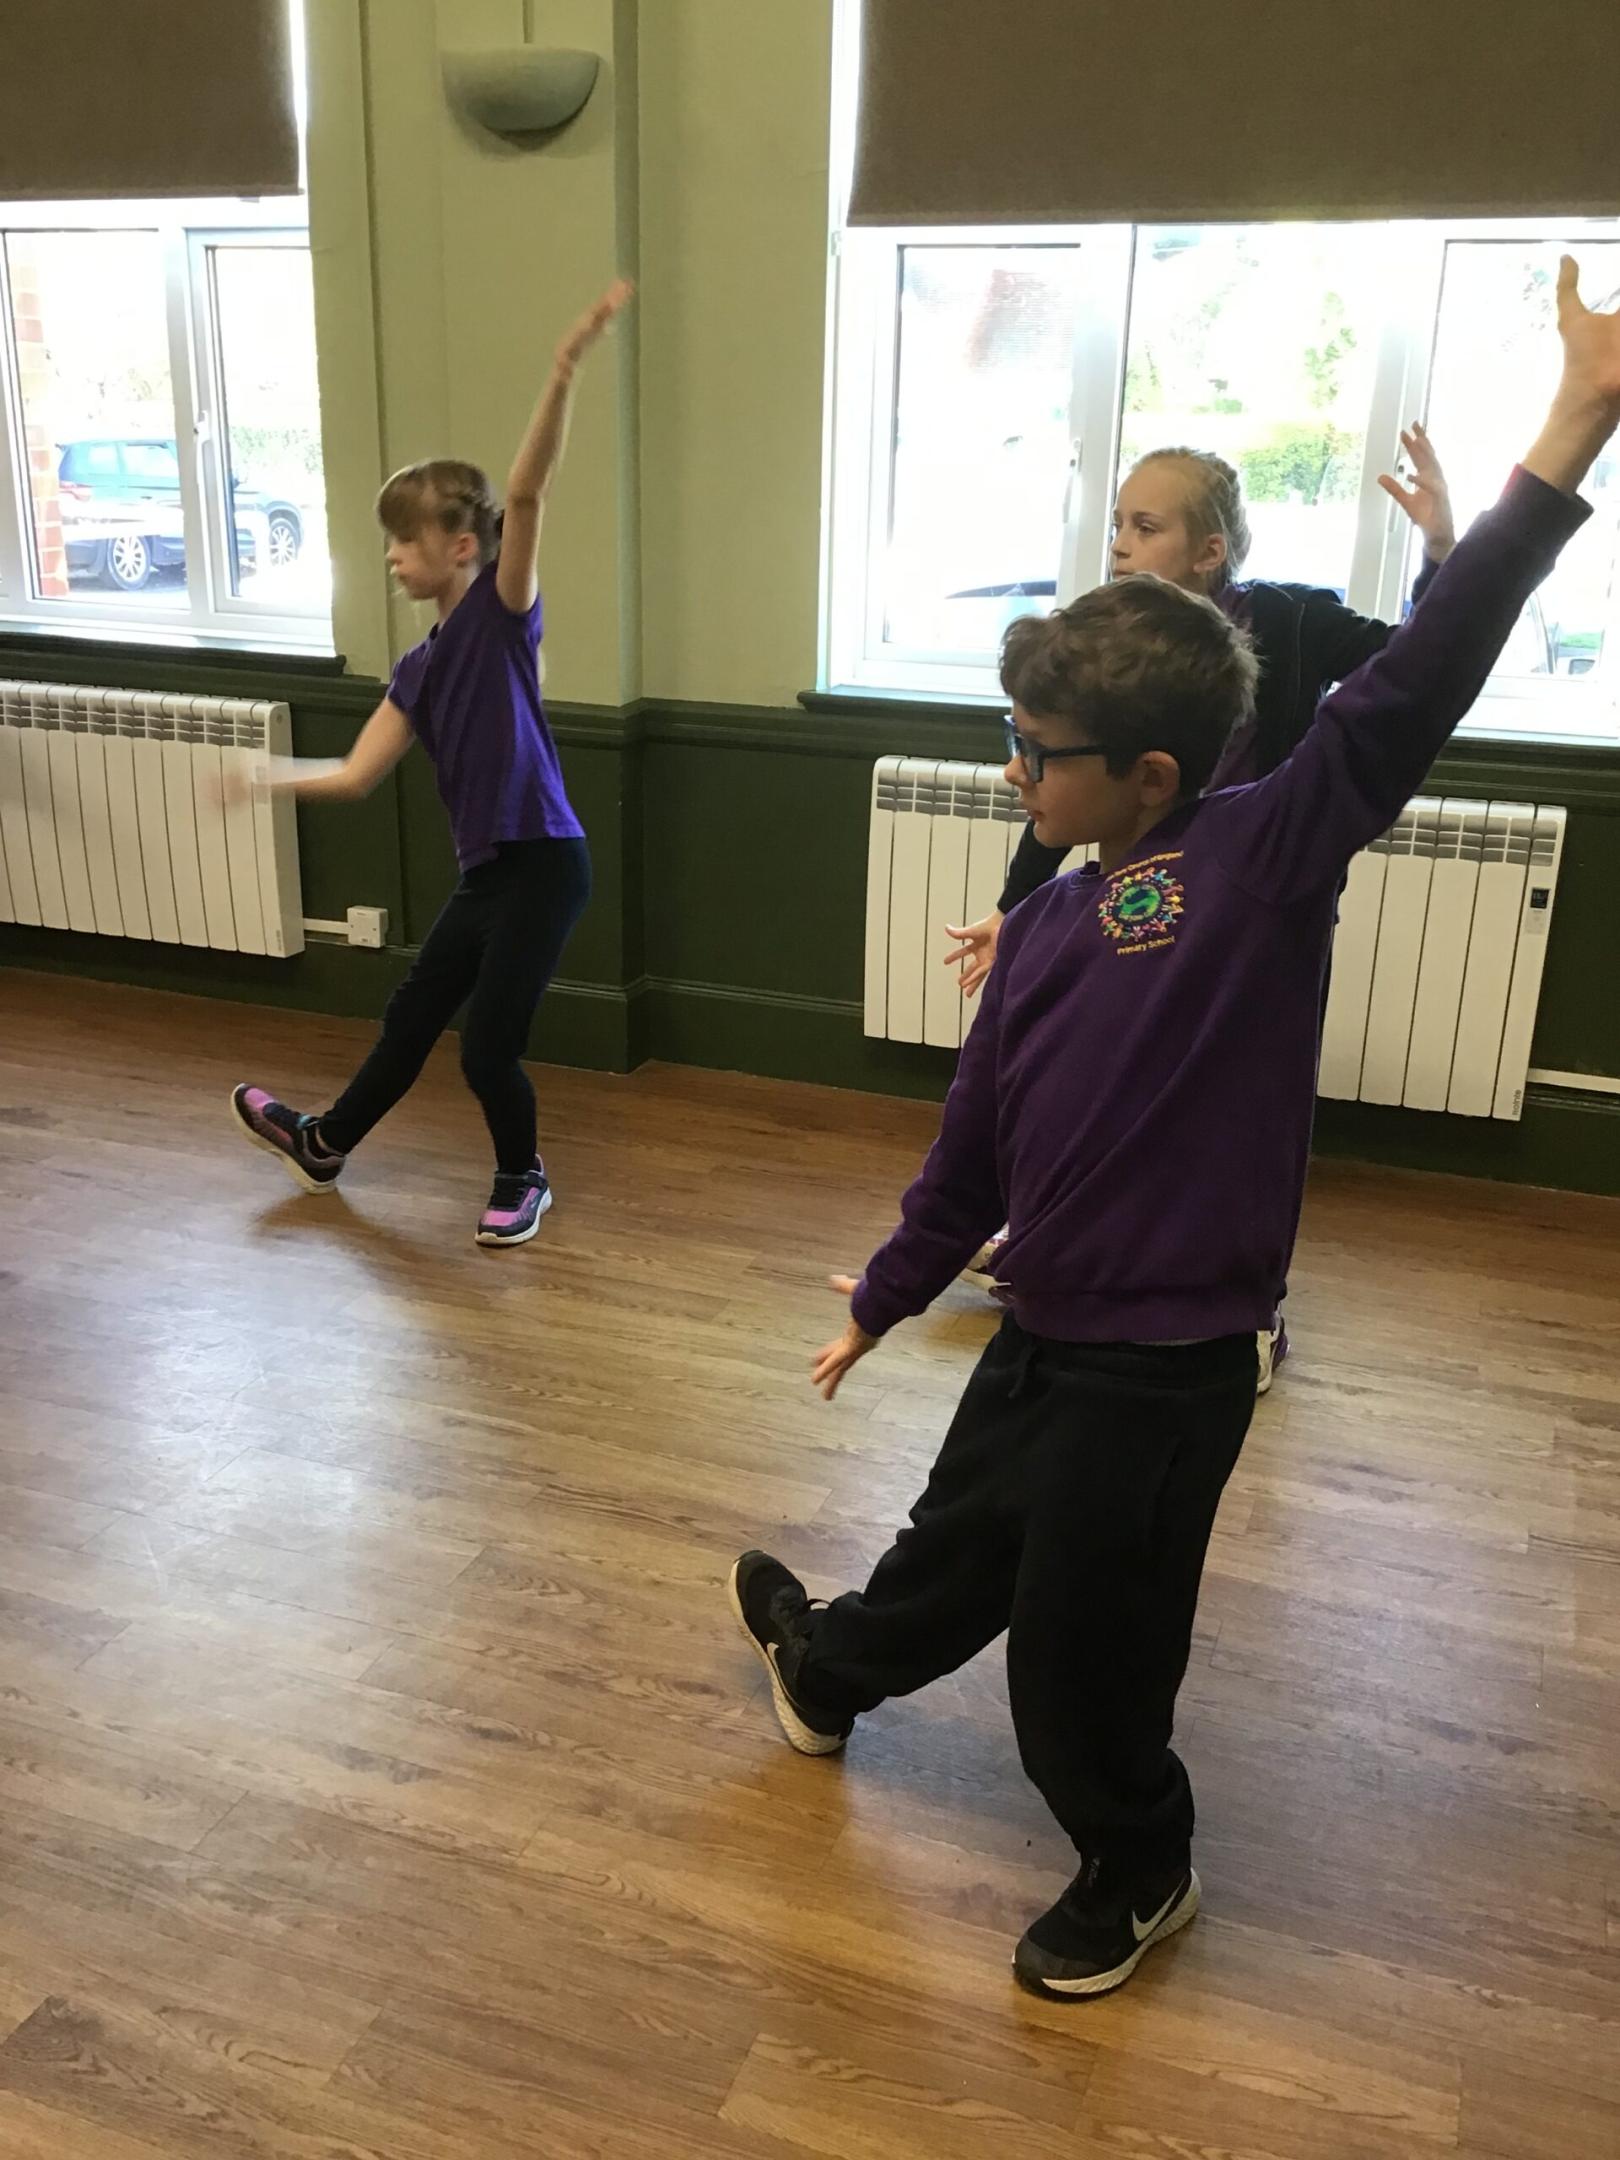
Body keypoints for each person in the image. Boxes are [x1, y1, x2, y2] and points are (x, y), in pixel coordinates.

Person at [729, 259, 1618, 2001]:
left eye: (1035, 751)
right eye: (1009, 738)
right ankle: (828, 1671)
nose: (1012, 772)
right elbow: (971, 1150)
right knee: (955, 1544)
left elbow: (1420, 676)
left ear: (1148, 774)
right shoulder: (1052, 921)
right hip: (1043, 1328)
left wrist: (1574, 424)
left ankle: (1140, 1866)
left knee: (1084, 1650)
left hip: (1171, 1362)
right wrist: (890, 1294)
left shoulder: (1266, 859)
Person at [947, 427, 1459, 1387]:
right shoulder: (1109, 646)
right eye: (1117, 524)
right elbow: (1065, 785)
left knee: (1242, 1119)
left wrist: (1439, 557)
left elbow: (1408, 669)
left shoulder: (1290, 621)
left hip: (1261, 912)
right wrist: (1015, 910)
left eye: (1146, 527)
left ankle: (1249, 1311)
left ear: (1209, 551)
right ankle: (1063, 1252)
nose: (1119, 544)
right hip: (1148, 908)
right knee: (1115, 1084)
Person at [229, 280, 633, 1247]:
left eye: (402, 542)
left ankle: (523, 1177)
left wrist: (563, 369)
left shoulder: (501, 616)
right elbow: (356, 773)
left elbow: (525, 494)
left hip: (545, 863)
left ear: (458, 547)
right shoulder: (416, 668)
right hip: (488, 873)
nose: (390, 558)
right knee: (411, 1018)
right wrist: (260, 780)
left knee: (488, 1051)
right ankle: (323, 1145)